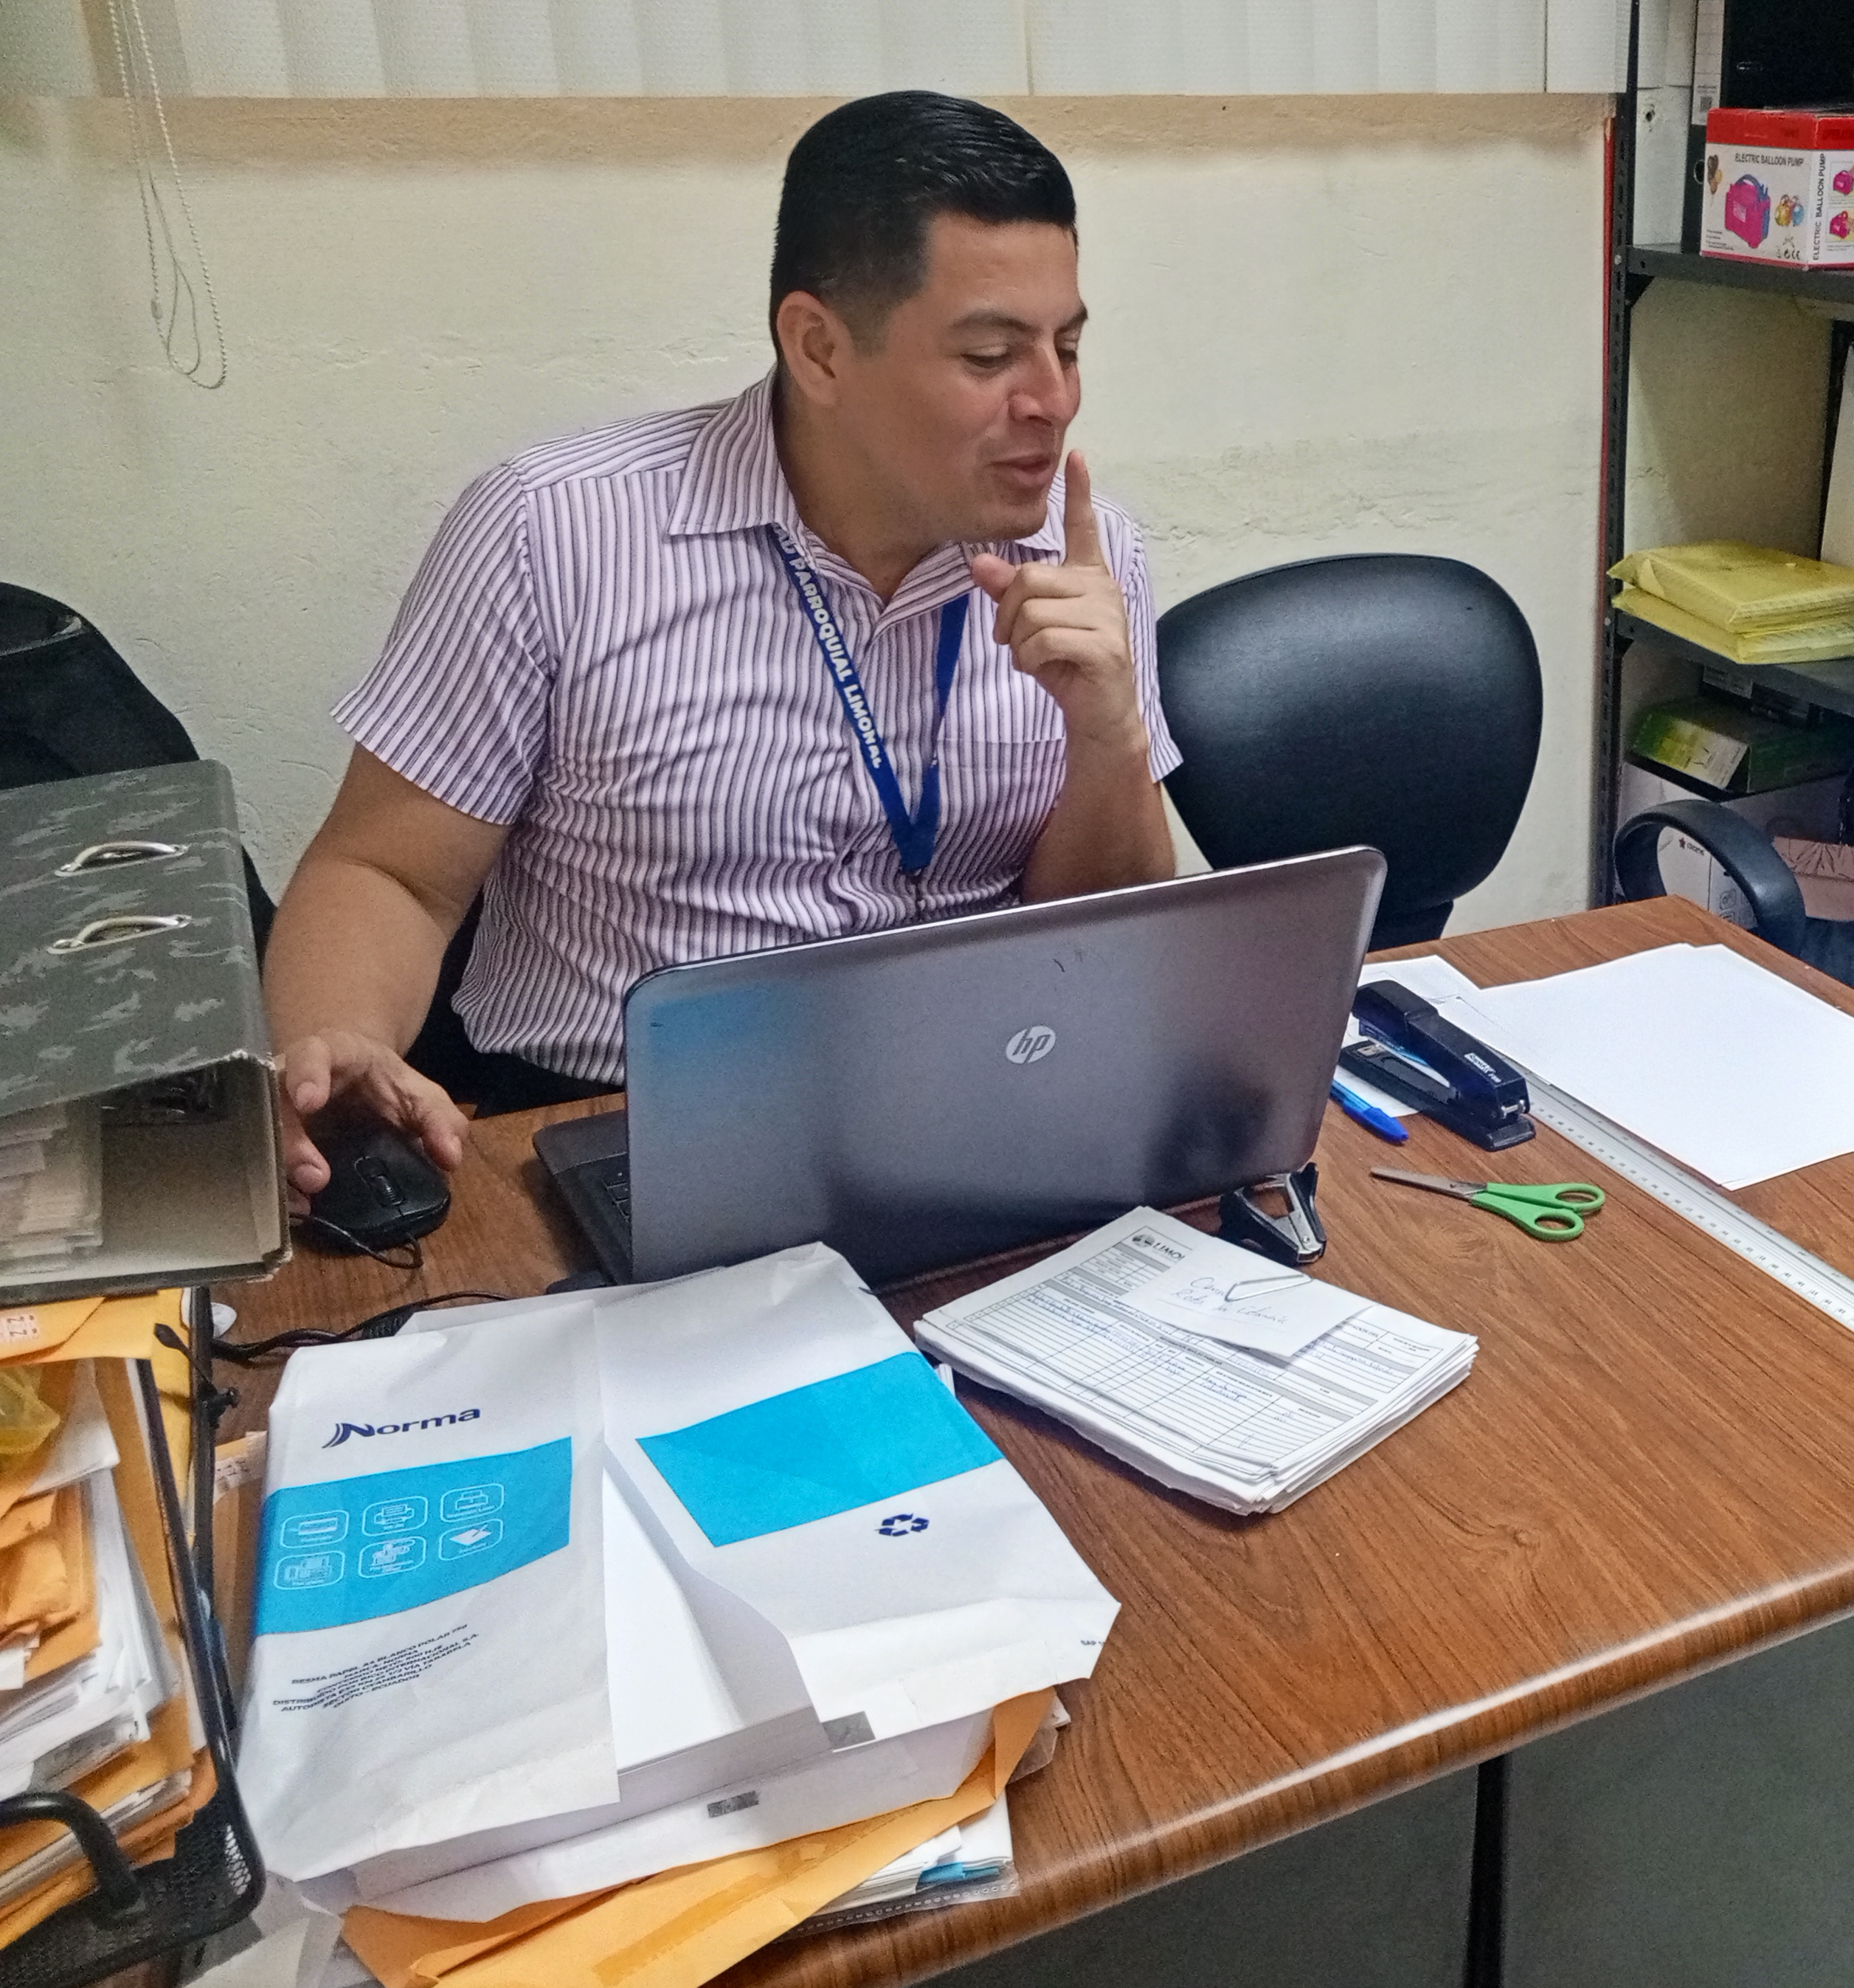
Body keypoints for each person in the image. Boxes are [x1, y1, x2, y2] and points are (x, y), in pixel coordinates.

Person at [263, 90, 1177, 1203]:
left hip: (979, 1110)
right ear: (819, 348)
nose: (1053, 400)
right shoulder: (553, 532)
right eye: (991, 355)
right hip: (614, 1126)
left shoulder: (1088, 558)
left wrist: (1110, 739)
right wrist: (341, 1041)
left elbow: (1106, 946)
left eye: (1068, 346)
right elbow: (388, 873)